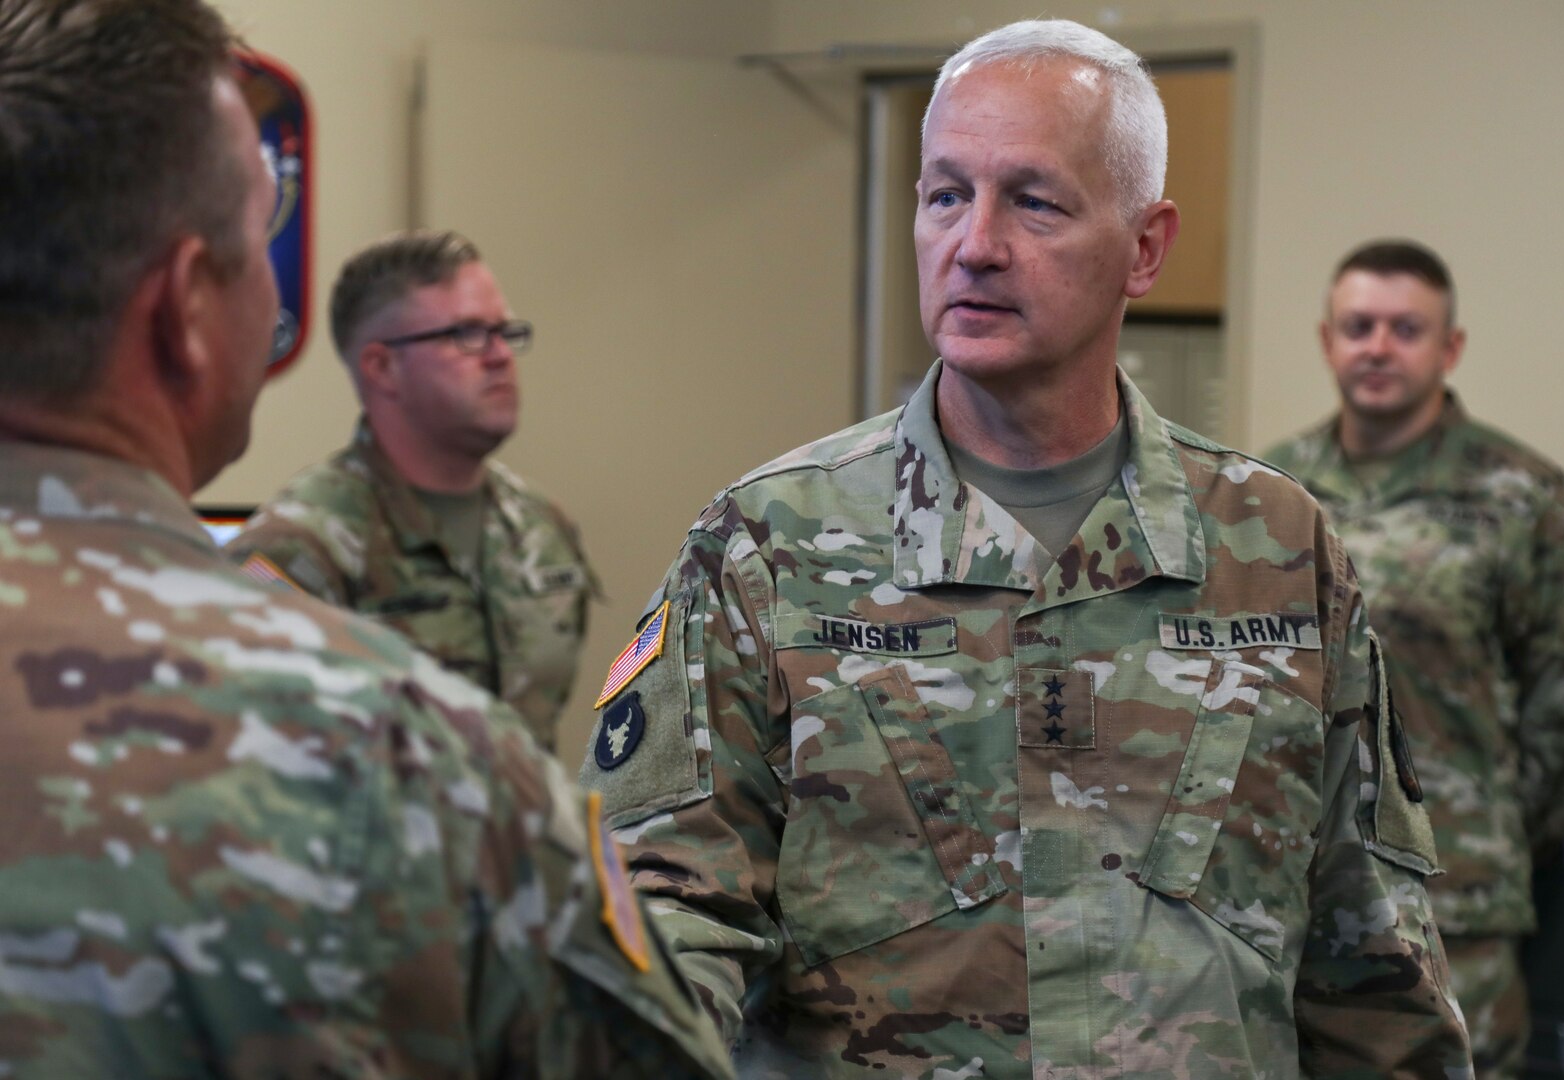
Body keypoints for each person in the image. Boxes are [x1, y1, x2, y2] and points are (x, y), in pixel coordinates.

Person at [580, 18, 1471, 1078]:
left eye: (1033, 200)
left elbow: (1374, 966)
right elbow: (659, 928)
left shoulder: (1273, 547)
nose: (976, 242)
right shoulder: (766, 548)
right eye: (945, 194)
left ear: (1145, 248)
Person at [0, 1, 732, 1075]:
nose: (497, 355)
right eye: (258, 248)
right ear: (183, 315)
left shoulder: (532, 545)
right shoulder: (392, 751)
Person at [1265, 239, 1564, 1077]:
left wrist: (1486, 822)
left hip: (1461, 904)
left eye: (1405, 328)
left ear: (1448, 348)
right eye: (1358, 326)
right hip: (1297, 896)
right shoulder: (1272, 493)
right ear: (1327, 341)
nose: (1378, 346)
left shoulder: (1519, 495)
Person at [227, 231, 593, 751]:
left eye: (503, 331)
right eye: (467, 333)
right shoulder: (300, 549)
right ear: (382, 367)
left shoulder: (542, 526)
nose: (499, 356)